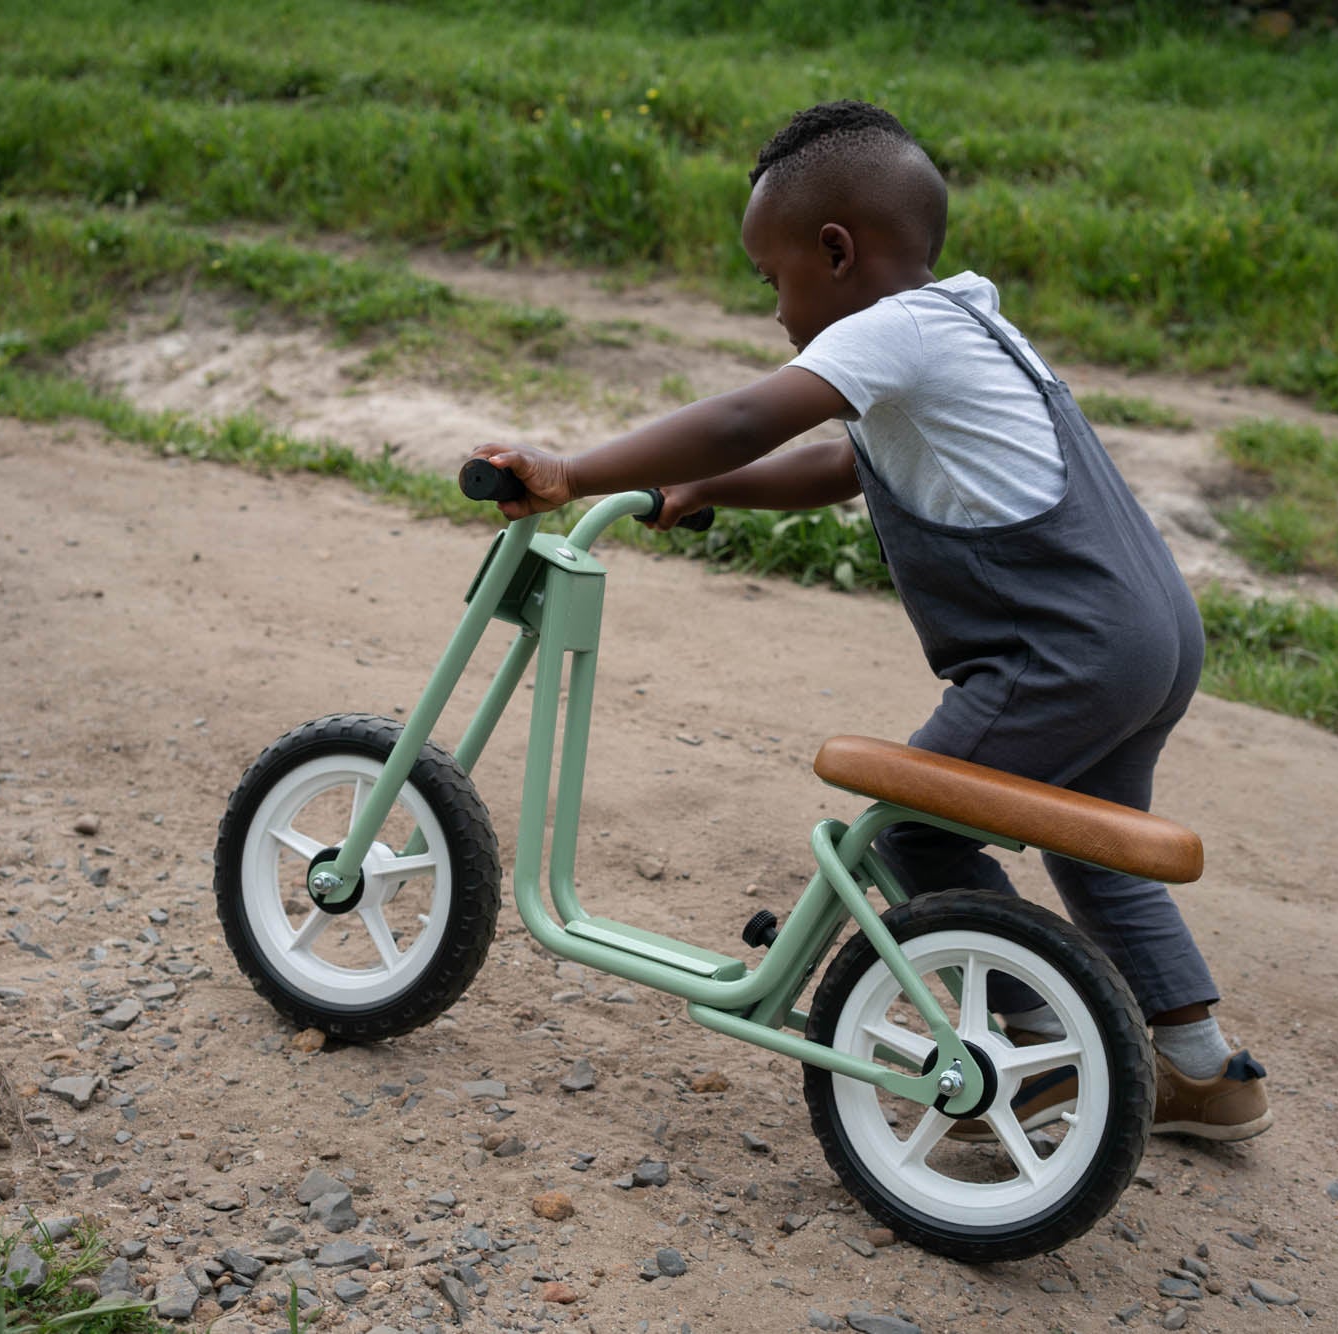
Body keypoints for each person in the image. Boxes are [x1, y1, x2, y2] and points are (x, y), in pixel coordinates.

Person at [469, 100, 1270, 1143]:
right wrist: (701, 490)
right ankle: (1201, 1071)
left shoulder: (895, 330)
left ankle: (1036, 1050)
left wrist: (574, 469)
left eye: (774, 279)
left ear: (835, 251)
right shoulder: (965, 327)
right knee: (1093, 849)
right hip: (1146, 641)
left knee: (908, 827)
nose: (774, 312)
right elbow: (835, 463)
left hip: (1065, 651)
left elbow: (754, 415)